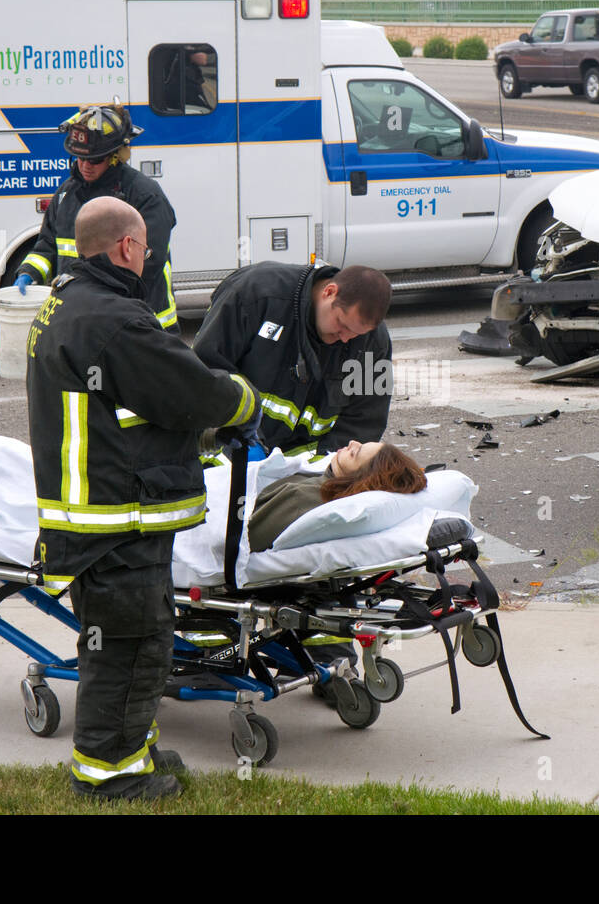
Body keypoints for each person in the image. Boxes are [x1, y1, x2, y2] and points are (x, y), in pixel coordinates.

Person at [26, 195, 258, 801]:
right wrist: (240, 399)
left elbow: (125, 402)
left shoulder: (64, 304)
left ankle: (134, 746)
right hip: (115, 520)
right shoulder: (115, 320)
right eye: (146, 249)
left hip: (97, 517)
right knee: (128, 650)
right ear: (128, 247)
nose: (149, 259)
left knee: (134, 643)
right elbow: (190, 391)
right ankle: (109, 775)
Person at [194, 262, 394, 460]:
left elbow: (365, 420)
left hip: (307, 472)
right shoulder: (255, 292)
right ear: (329, 292)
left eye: (356, 334)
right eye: (341, 324)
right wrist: (238, 439)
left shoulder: (375, 343)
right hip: (230, 455)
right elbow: (207, 371)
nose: (345, 338)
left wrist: (329, 470)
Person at [12, 99, 180, 330]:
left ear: (115, 156)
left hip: (142, 322)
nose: (85, 166)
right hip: (85, 319)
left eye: (95, 160)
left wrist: (98, 298)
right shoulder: (66, 195)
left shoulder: (144, 196)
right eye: (80, 158)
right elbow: (48, 245)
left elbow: (148, 262)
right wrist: (29, 271)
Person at [248, 441, 425, 553]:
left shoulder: (300, 497)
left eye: (354, 453)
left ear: (358, 479)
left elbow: (242, 541)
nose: (352, 442)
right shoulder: (325, 490)